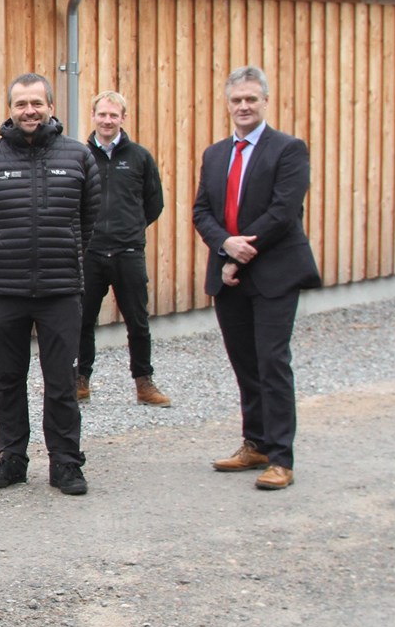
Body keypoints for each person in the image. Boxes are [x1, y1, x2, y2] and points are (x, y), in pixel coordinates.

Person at [0, 73, 101, 496]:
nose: (29, 111)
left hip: (61, 289)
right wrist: (4, 255)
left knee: (61, 380)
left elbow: (89, 219)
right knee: (8, 379)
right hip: (6, 288)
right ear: (10, 108)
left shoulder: (79, 157)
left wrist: (63, 255)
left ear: (51, 106)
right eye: (21, 104)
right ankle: (12, 459)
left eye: (37, 103)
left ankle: (65, 463)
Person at [192, 66, 320, 492]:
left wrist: (240, 254)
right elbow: (201, 213)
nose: (243, 106)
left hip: (273, 273)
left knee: (272, 363)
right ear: (227, 104)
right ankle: (256, 443)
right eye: (236, 100)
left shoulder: (288, 149)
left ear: (265, 101)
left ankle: (282, 457)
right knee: (245, 362)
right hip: (228, 274)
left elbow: (283, 212)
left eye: (251, 99)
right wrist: (225, 246)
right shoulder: (214, 154)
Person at [76, 91, 170, 407]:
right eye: (102, 114)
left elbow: (154, 203)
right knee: (82, 320)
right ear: (93, 116)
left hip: (128, 252)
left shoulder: (139, 157)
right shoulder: (80, 156)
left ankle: (144, 383)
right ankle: (80, 380)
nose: (107, 120)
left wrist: (130, 228)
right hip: (90, 252)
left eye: (113, 115)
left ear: (123, 119)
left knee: (138, 321)